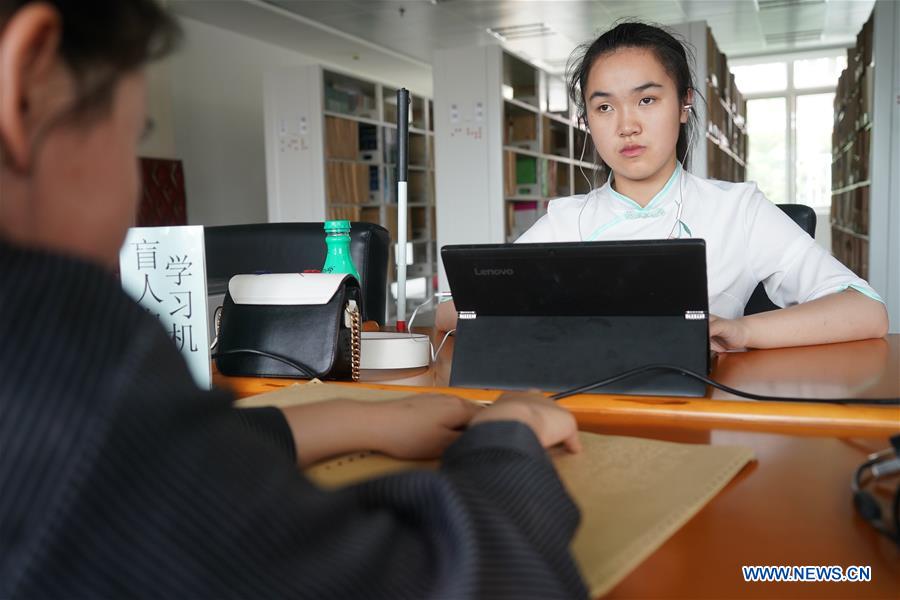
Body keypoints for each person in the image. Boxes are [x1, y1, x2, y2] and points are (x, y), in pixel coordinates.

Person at [0, 1, 588, 598]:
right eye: (132, 138)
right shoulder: (57, 350)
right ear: (27, 86)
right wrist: (508, 435)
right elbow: (461, 580)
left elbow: (157, 463)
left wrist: (359, 419)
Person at [437, 22, 888, 353]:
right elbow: (454, 312)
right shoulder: (566, 220)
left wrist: (747, 332)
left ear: (685, 104)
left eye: (647, 100)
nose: (627, 126)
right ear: (588, 121)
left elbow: (867, 311)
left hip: (699, 412)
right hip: (586, 411)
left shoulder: (738, 210)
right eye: (604, 108)